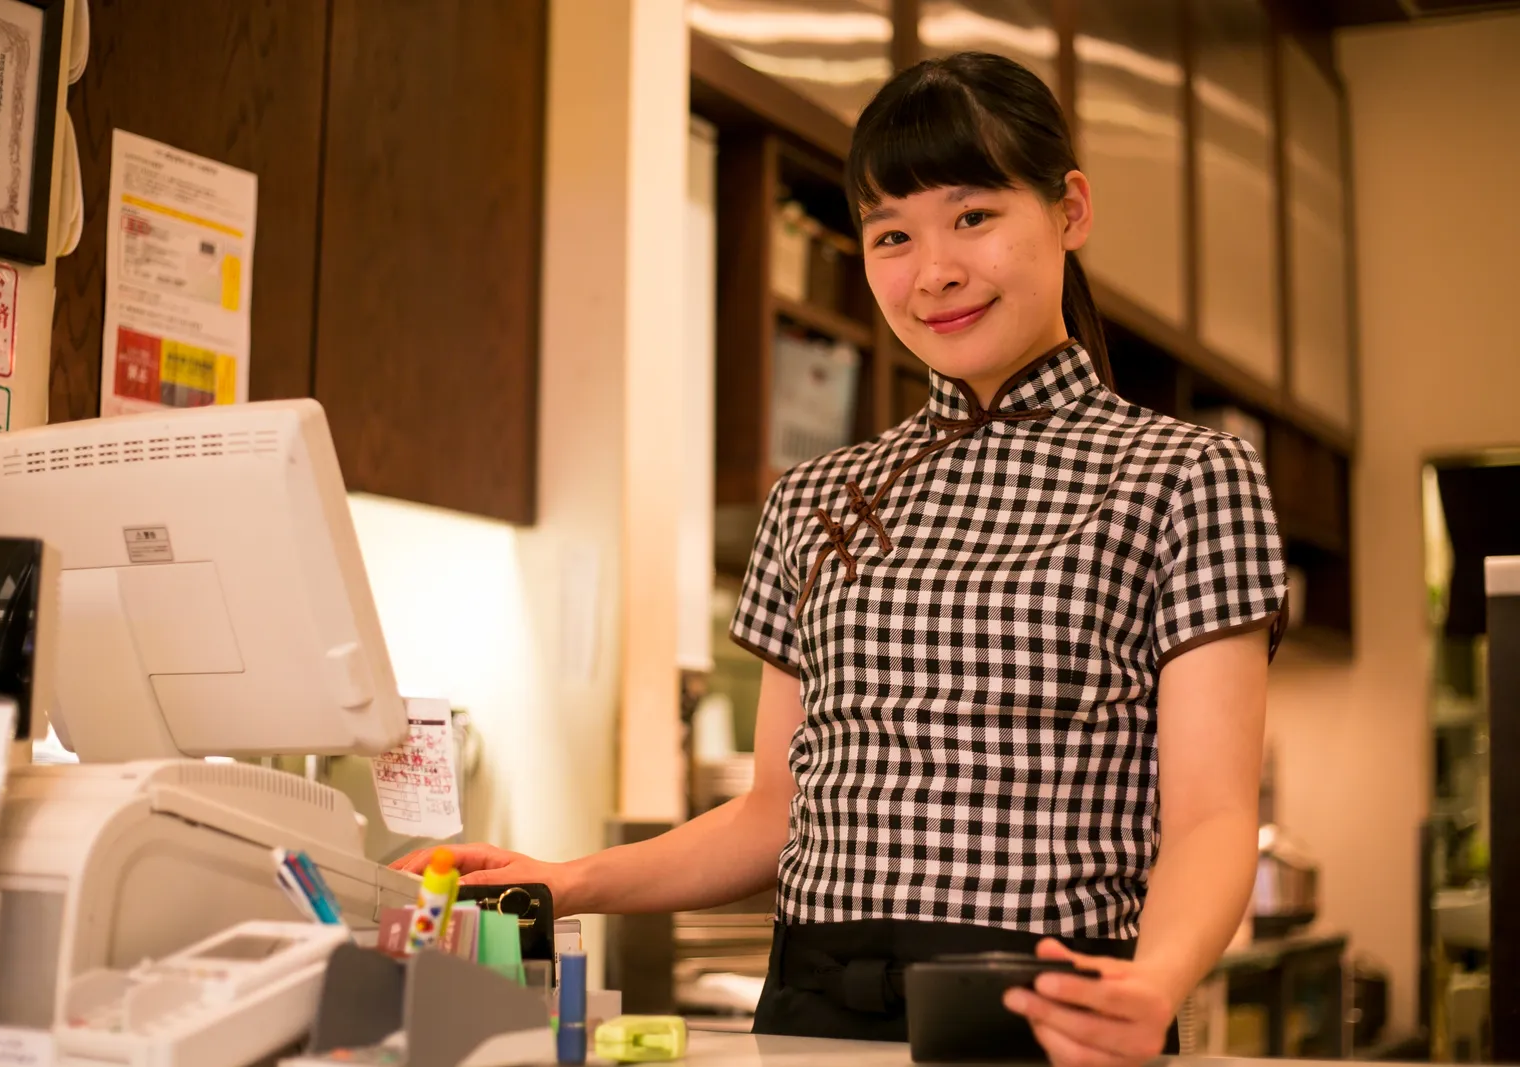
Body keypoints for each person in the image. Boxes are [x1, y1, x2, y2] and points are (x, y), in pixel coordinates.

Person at [395, 52, 1285, 1066]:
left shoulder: (1187, 476)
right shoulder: (815, 497)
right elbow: (773, 809)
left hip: (1055, 1011)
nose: (933, 270)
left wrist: (1153, 981)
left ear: (1069, 210)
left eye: (974, 217)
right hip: (811, 1004)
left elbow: (1213, 814)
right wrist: (565, 879)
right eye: (891, 235)